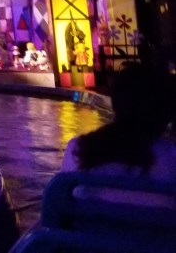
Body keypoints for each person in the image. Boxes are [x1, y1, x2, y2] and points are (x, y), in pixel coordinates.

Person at [61, 64, 176, 204]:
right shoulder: (170, 157)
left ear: (116, 103)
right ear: (166, 113)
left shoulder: (77, 149)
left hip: (89, 218)